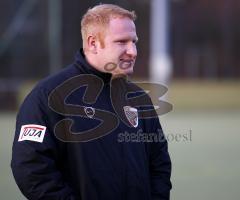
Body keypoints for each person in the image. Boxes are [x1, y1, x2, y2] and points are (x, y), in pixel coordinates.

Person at [11, 4, 172, 200]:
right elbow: (31, 167)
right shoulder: (48, 96)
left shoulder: (139, 99)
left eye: (134, 41)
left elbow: (159, 162)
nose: (133, 51)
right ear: (93, 43)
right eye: (122, 42)